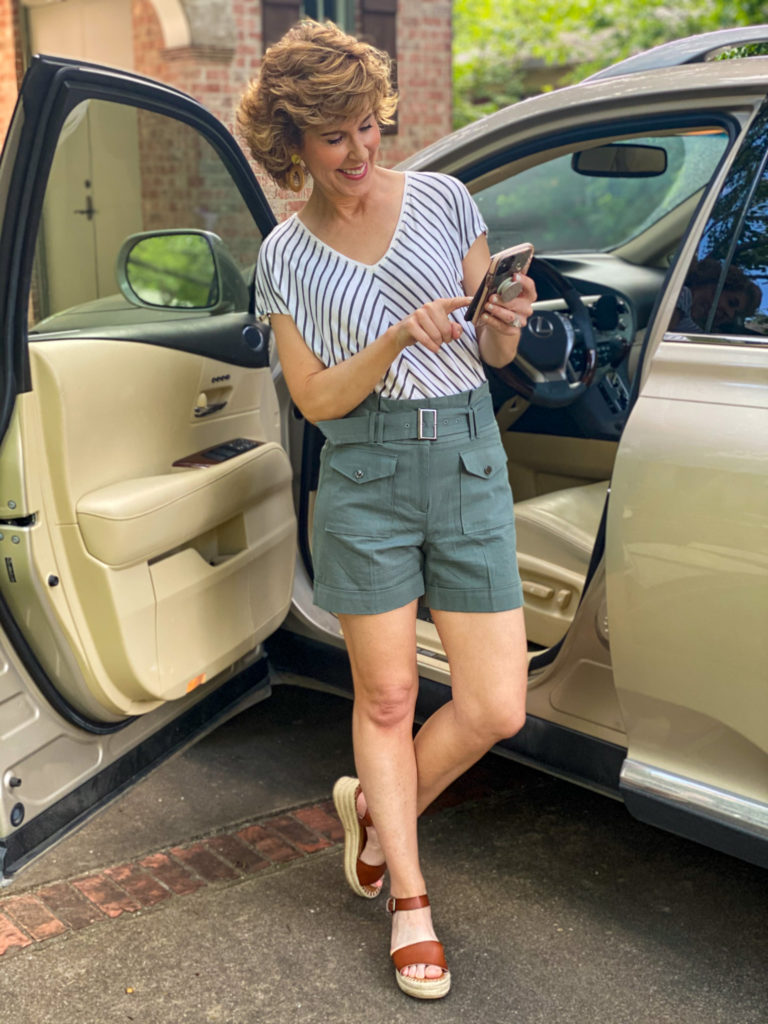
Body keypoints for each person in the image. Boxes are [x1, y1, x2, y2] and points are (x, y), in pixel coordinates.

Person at [237, 19, 534, 1000]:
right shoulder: (285, 258)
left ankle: (374, 809)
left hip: (465, 458)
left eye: (370, 126)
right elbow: (316, 400)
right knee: (391, 699)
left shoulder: (447, 201)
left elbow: (492, 362)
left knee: (495, 704)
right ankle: (408, 895)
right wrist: (394, 343)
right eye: (335, 138)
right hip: (362, 474)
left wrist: (503, 325)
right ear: (294, 146)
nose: (362, 151)